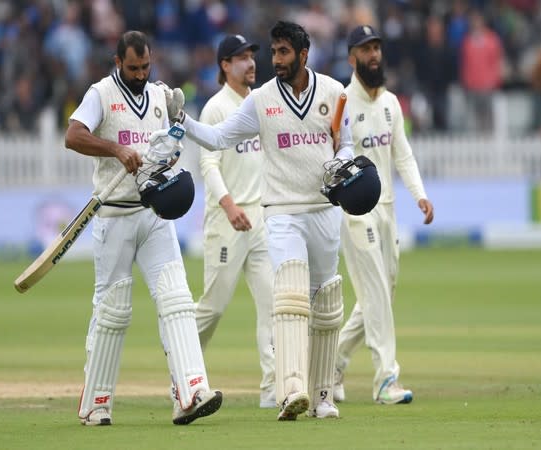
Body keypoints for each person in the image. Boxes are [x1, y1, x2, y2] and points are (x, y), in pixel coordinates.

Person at [168, 21, 360, 421]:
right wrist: (182, 121)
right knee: (288, 293)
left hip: (324, 210)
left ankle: (322, 394)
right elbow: (219, 138)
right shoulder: (261, 100)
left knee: (325, 303)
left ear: (303, 54)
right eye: (273, 52)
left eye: (283, 52)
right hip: (282, 212)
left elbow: (347, 144)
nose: (275, 60)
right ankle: (290, 390)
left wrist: (342, 165)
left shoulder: (334, 93)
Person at [64, 30, 222, 426]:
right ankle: (96, 403)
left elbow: (171, 144)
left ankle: (190, 391)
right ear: (118, 62)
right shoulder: (100, 94)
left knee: (176, 298)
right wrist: (116, 149)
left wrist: (167, 155)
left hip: (152, 214)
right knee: (113, 310)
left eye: (145, 67)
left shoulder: (160, 97)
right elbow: (73, 135)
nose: (139, 74)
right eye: (132, 68)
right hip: (114, 214)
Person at [333, 25, 434, 405]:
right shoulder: (341, 102)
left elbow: (402, 154)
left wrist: (420, 195)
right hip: (356, 212)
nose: (373, 55)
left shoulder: (391, 103)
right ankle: (385, 378)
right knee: (375, 292)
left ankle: (332, 364)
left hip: (388, 210)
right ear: (351, 58)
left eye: (376, 47)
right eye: (365, 49)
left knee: (380, 296)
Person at [194, 34, 276, 409]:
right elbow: (207, 164)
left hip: (261, 219)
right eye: (241, 58)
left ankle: (274, 388)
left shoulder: (260, 103)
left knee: (273, 304)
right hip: (227, 221)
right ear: (225, 65)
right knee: (213, 307)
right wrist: (229, 205)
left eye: (251, 56)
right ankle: (185, 374)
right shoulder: (215, 108)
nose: (250, 63)